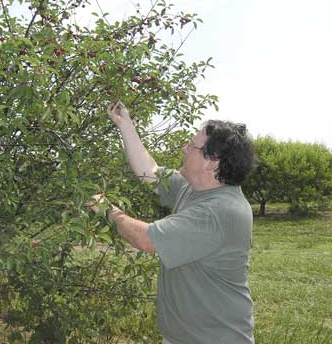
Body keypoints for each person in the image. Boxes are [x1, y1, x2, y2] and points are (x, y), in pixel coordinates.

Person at [91, 100, 256, 344]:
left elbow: (145, 239)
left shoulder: (220, 211)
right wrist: (126, 125)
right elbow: (150, 170)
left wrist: (105, 209)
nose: (183, 149)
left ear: (212, 161)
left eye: (192, 146)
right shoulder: (194, 188)